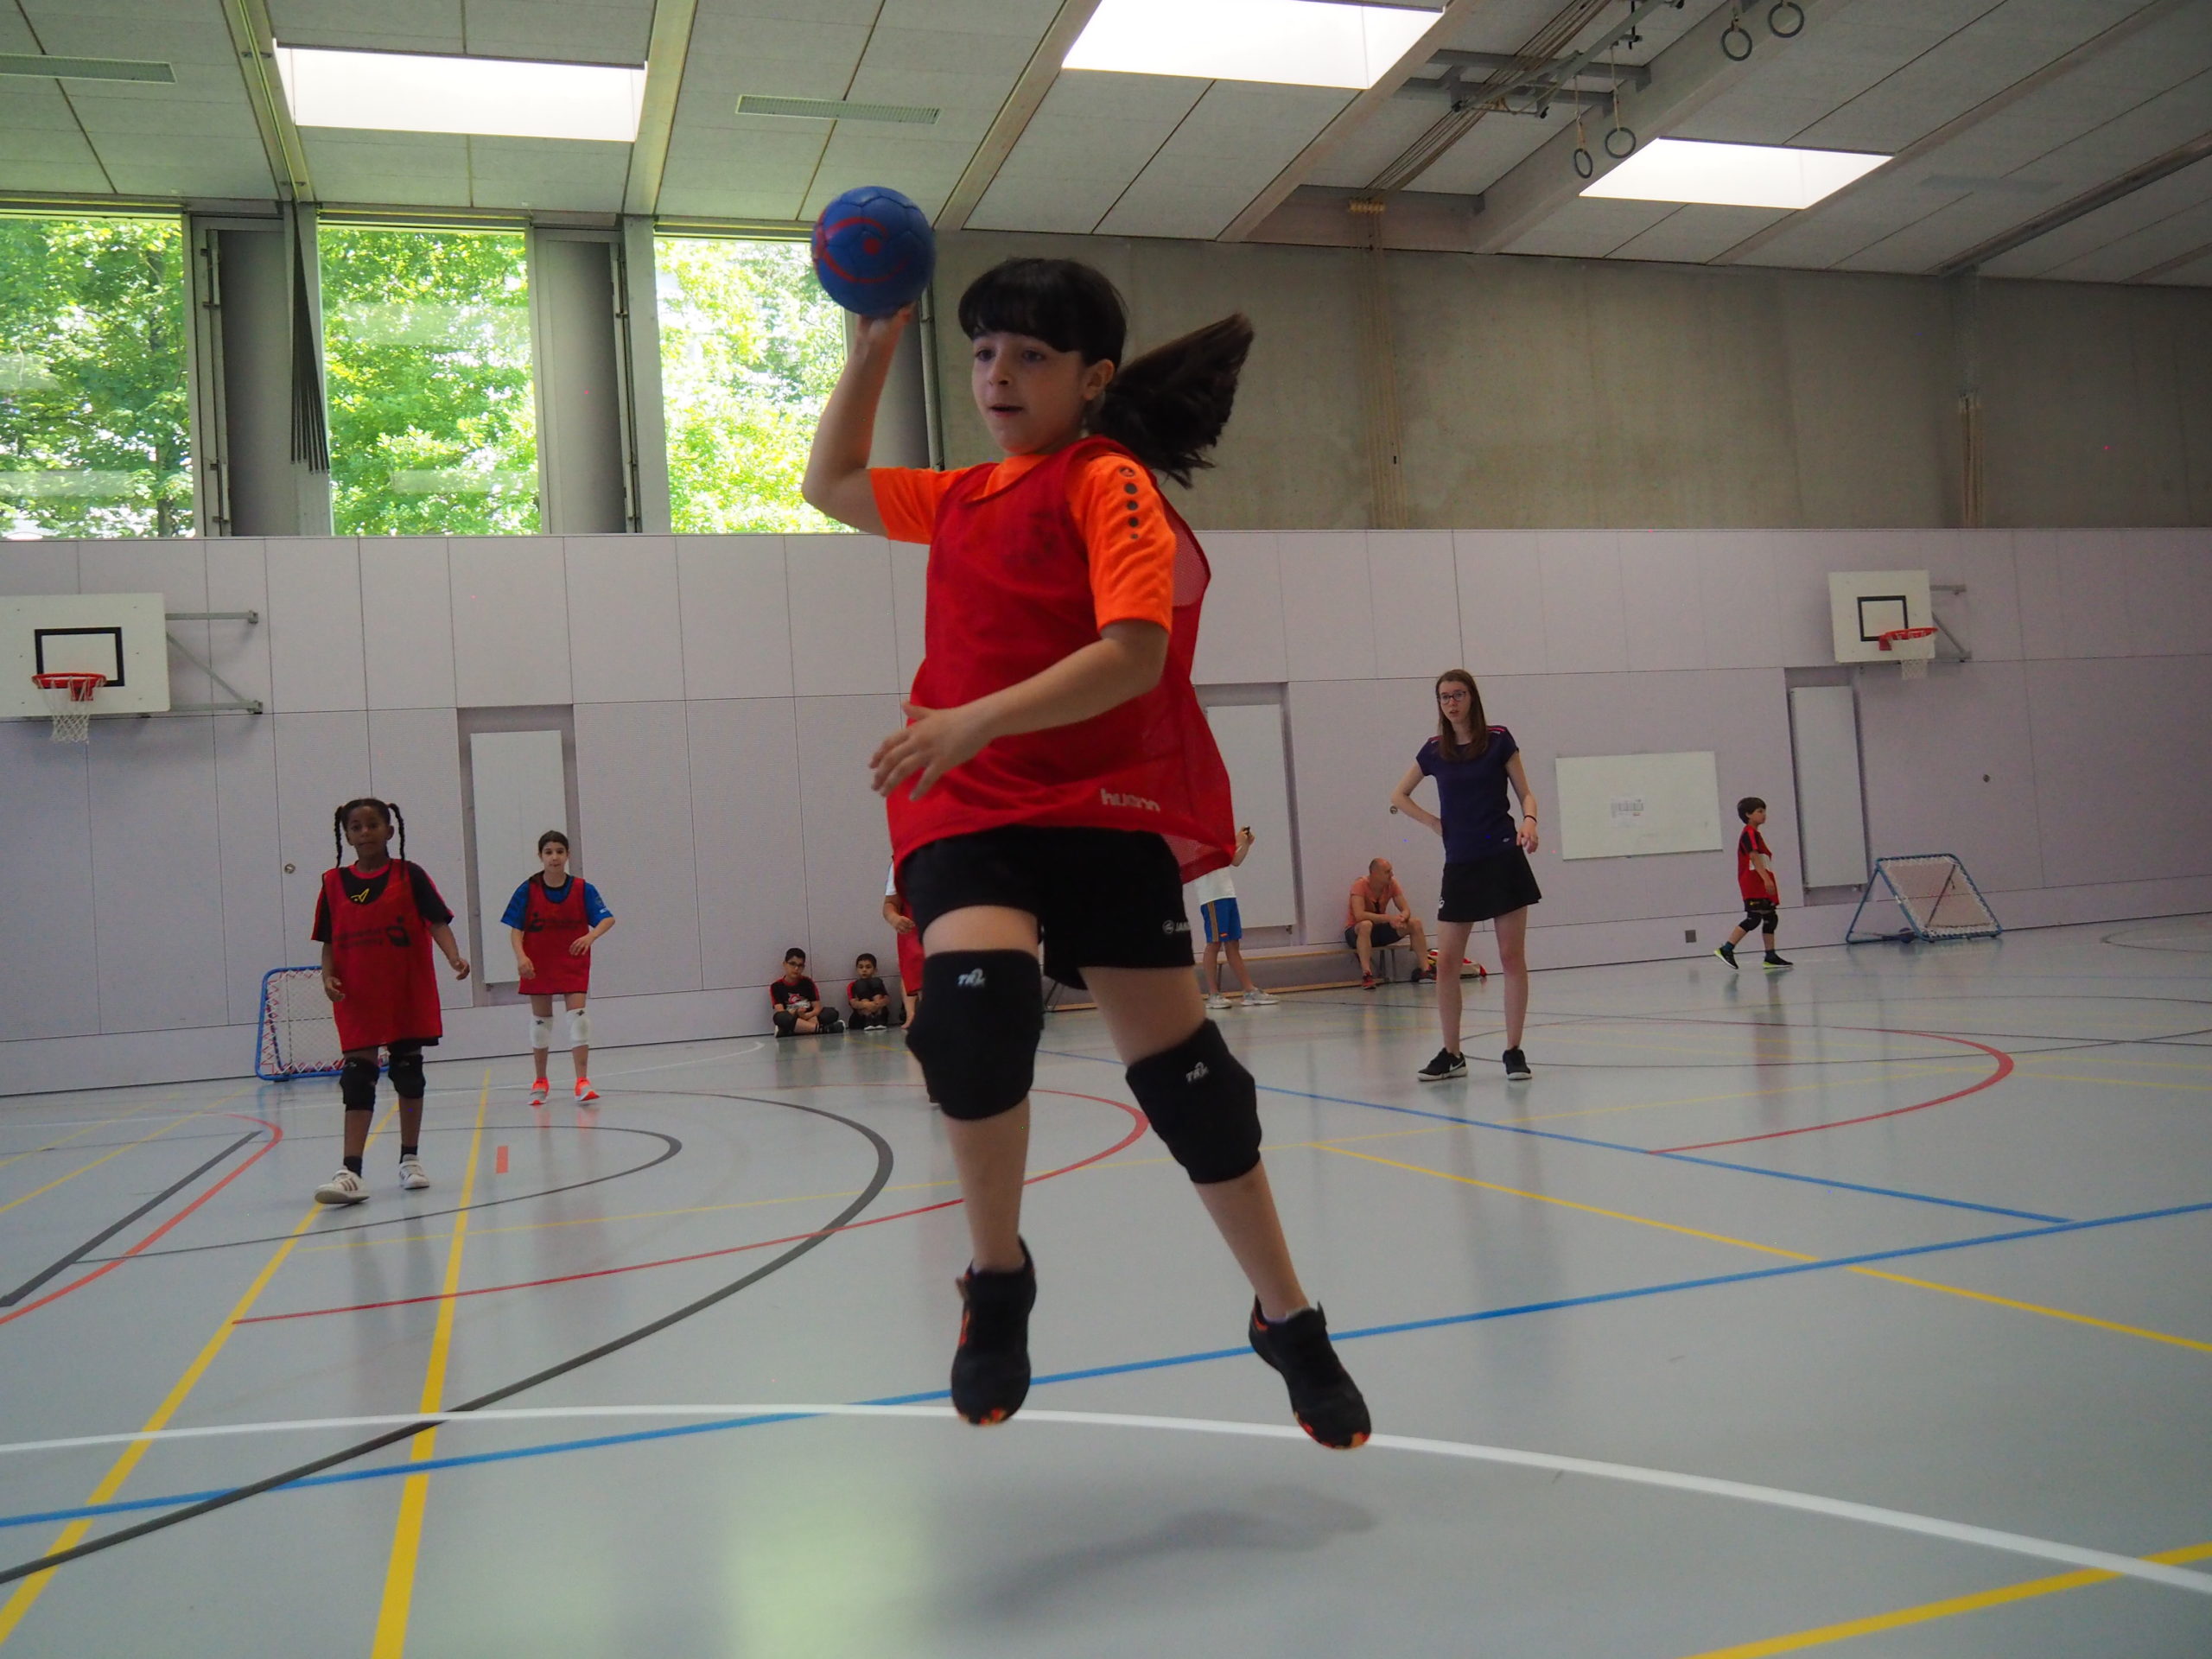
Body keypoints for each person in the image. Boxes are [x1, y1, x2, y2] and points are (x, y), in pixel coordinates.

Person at [800, 255, 1368, 1448]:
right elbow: (832, 483)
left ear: (1092, 377)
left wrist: (971, 717)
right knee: (972, 1012)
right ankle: (997, 1279)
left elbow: (1132, 655)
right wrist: (874, 348)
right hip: (972, 806)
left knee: (1195, 1087)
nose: (998, 375)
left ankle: (1287, 1316)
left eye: (1031, 355)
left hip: (1098, 804)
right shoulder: (961, 494)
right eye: (982, 353)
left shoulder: (1108, 484)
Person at [312, 798, 470, 1204]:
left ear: (390, 830)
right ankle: (351, 1171)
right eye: (356, 827)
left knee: (408, 1072)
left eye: (372, 825)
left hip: (404, 991)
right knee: (357, 1078)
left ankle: (410, 1159)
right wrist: (328, 975)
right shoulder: (332, 883)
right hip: (358, 995)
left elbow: (437, 922)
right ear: (347, 836)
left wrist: (453, 956)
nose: (365, 832)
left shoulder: (409, 875)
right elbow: (329, 940)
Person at [1389, 670, 1542, 1084]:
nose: (1452, 703)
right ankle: (1452, 1053)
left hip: (1503, 858)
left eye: (1458, 695)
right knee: (1446, 963)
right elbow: (1398, 795)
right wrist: (1434, 823)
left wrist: (1529, 820)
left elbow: (1526, 793)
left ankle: (1513, 1049)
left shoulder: (1499, 739)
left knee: (1511, 956)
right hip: (1460, 863)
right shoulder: (1434, 750)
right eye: (1444, 697)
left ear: (1471, 697)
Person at [502, 830, 615, 1103]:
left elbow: (607, 919)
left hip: (571, 961)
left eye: (560, 852)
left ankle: (582, 1082)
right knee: (541, 1023)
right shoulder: (528, 889)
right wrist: (521, 957)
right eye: (549, 852)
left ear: (568, 855)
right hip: (538, 962)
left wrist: (590, 936)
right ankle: (540, 1080)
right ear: (540, 856)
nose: (554, 857)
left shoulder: (582, 889)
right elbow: (516, 929)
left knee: (578, 1020)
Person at [1192, 825, 1278, 1010]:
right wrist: (1235, 842)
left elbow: (1235, 861)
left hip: (1227, 895)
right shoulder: (1198, 843)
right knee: (1214, 943)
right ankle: (1213, 994)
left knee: (1233, 944)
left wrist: (1245, 845)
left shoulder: (1217, 843)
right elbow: (1210, 854)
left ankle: (1249, 990)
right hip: (1213, 898)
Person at [1718, 797, 1792, 969]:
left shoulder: (1756, 834)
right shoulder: (1749, 833)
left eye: (1764, 811)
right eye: (1760, 811)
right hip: (1753, 883)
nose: (1764, 814)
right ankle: (1726, 948)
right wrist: (1766, 879)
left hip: (1760, 881)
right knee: (1754, 918)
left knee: (1770, 917)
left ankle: (1770, 956)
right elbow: (1754, 857)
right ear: (1748, 814)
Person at [1344, 857, 1431, 990]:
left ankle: (1425, 970)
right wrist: (1389, 918)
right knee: (1366, 924)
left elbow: (1406, 909)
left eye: (1391, 871)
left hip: (1378, 931)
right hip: (1356, 932)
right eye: (1387, 872)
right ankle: (1367, 974)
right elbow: (1359, 915)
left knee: (1415, 923)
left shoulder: (1392, 884)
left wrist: (1402, 918)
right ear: (1374, 873)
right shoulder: (1360, 885)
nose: (1391, 874)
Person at [883, 865, 925, 1028]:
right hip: (915, 932)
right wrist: (894, 918)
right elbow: (889, 904)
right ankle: (914, 1015)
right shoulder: (899, 865)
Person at [769, 947, 842, 1037]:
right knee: (779, 1017)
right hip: (793, 1018)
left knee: (831, 1012)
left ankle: (793, 1031)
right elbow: (781, 1011)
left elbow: (817, 1007)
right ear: (784, 964)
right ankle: (822, 1029)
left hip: (810, 1016)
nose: (796, 968)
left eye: (800, 965)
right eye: (792, 964)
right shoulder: (776, 986)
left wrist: (806, 1016)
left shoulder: (808, 982)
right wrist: (797, 1013)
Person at [849, 952, 897, 1028]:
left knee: (876, 981)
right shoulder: (853, 985)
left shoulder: (878, 982)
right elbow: (853, 1003)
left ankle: (879, 1018)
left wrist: (877, 1004)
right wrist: (867, 1005)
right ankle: (868, 1019)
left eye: (868, 967)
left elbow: (887, 1000)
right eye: (861, 967)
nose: (864, 970)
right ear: (857, 969)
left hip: (879, 1012)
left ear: (875, 970)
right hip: (862, 1017)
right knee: (860, 984)